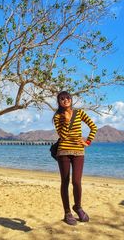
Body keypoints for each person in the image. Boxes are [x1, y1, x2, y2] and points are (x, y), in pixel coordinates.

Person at [53, 91, 97, 225]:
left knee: (77, 181)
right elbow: (63, 135)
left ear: (71, 99)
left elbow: (93, 127)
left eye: (67, 98)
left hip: (79, 151)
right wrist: (66, 120)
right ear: (59, 102)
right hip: (64, 151)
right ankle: (67, 212)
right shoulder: (57, 116)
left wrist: (88, 142)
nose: (65, 100)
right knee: (65, 182)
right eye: (62, 99)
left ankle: (78, 207)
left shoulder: (80, 113)